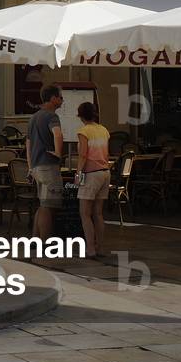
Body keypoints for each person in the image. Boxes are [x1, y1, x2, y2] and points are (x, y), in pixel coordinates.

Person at [25, 84, 64, 240]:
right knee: (49, 207)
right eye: (60, 97)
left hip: (36, 167)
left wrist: (30, 166)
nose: (62, 100)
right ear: (53, 98)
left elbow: (28, 144)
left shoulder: (33, 117)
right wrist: (58, 154)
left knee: (42, 204)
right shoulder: (52, 116)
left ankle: (35, 239)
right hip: (48, 166)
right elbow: (58, 134)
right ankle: (45, 242)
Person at [75, 102, 111, 259]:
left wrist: (78, 174)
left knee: (85, 213)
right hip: (105, 172)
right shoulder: (104, 130)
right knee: (98, 213)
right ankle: (100, 247)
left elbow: (83, 154)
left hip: (91, 174)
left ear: (81, 116)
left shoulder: (84, 131)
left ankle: (90, 249)